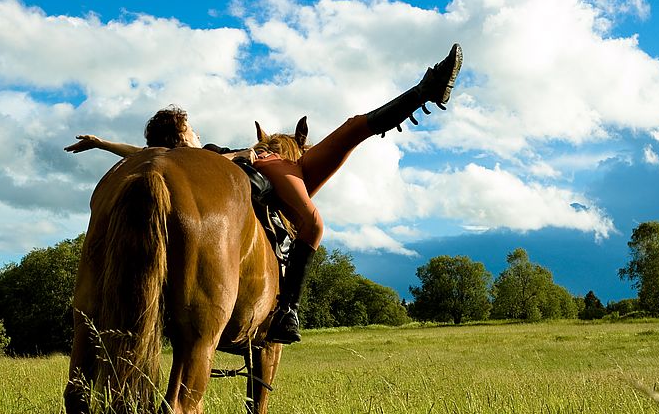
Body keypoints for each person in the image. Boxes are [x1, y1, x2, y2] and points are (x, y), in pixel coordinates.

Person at [66, 43, 463, 344]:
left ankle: (426, 89)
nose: (198, 134)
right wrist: (246, 153)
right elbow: (150, 154)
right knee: (313, 220)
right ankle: (287, 308)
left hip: (277, 162)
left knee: (352, 128)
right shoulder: (196, 158)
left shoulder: (199, 156)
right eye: (191, 131)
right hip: (269, 165)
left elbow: (143, 153)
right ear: (180, 141)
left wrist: (103, 143)